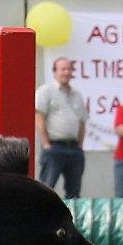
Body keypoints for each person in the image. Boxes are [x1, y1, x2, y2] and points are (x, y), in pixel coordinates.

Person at [35, 57, 89, 198]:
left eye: (69, 69)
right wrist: (46, 144)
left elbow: (82, 121)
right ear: (55, 72)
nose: (66, 72)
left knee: (74, 194)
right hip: (54, 147)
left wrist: (80, 146)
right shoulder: (45, 91)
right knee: (46, 190)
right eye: (63, 69)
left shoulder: (77, 95)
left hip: (74, 149)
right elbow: (39, 117)